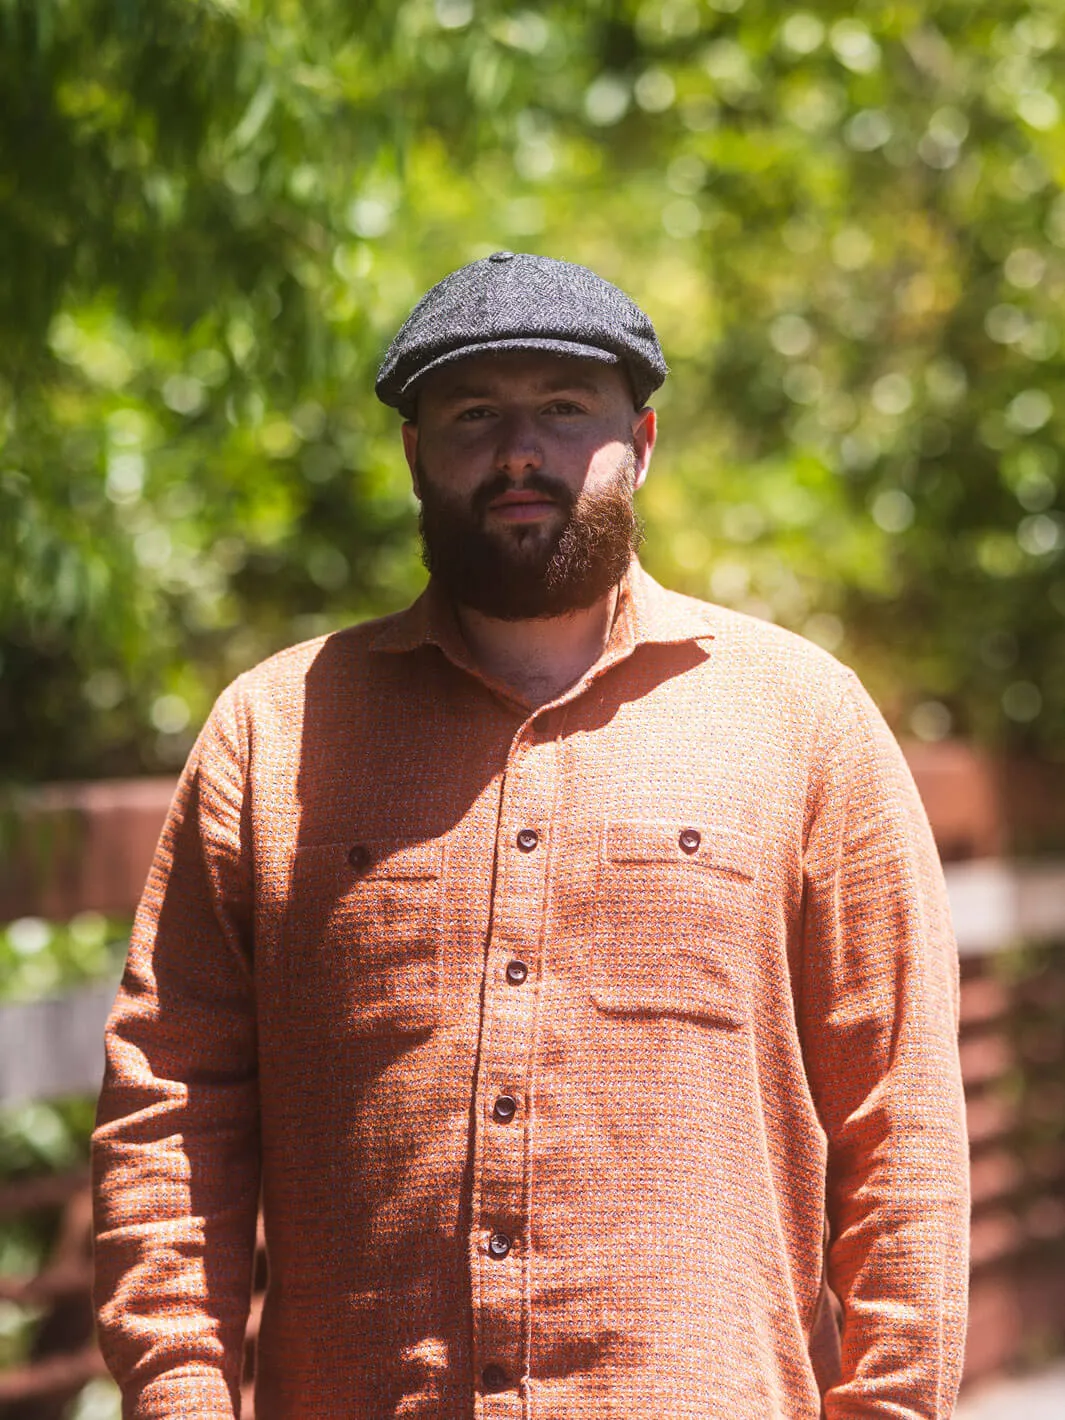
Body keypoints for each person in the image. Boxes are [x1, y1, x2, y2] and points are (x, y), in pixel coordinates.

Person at [92, 251, 969, 1419]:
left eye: (564, 410)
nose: (521, 452)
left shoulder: (803, 722)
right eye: (473, 414)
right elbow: (167, 1111)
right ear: (415, 453)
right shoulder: (275, 733)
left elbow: (899, 1114)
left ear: (641, 440)